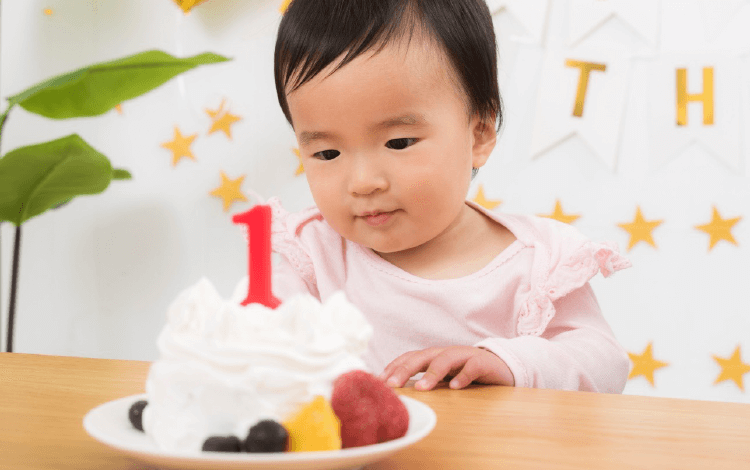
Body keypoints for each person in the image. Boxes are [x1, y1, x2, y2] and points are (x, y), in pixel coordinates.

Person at [267, 0, 631, 393]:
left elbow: (605, 366)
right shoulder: (315, 257)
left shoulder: (537, 265)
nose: (363, 182)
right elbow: (258, 349)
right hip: (362, 457)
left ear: (479, 134)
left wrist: (508, 362)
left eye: (399, 142)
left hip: (493, 455)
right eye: (327, 153)